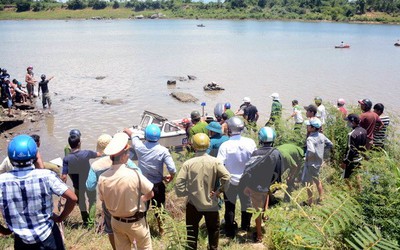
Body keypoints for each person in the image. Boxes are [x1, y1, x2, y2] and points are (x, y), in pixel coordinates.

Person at [0, 134, 77, 249]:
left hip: (21, 240)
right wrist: (60, 218)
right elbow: (73, 198)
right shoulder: (46, 175)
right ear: (35, 156)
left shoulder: (2, 181)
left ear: (10, 158)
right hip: (48, 236)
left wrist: (4, 230)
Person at [98, 132, 154, 250]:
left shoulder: (103, 178)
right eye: (127, 153)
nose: (129, 155)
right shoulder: (134, 174)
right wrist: (142, 199)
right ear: (123, 156)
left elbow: (102, 199)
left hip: (116, 222)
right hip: (136, 223)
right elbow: (150, 193)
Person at [175, 133, 231, 250]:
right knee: (213, 229)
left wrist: (186, 193)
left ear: (194, 146)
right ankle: (213, 248)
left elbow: (179, 184)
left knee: (191, 230)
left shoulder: (188, 164)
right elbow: (227, 177)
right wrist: (218, 191)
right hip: (211, 202)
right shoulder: (215, 162)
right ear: (208, 145)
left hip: (193, 203)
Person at [86, 134, 141, 250]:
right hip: (126, 197)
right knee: (129, 224)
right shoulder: (124, 160)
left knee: (111, 230)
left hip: (108, 202)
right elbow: (138, 173)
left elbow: (89, 186)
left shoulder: (95, 166)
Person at [124, 124, 176, 235]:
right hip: (157, 185)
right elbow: (172, 169)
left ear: (146, 136)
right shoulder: (163, 151)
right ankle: (161, 231)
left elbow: (133, 136)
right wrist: (171, 177)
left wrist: (126, 130)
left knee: (143, 209)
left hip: (143, 185)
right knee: (160, 209)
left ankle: (144, 230)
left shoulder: (139, 147)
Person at [240, 126, 282, 243]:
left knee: (257, 210)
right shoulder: (277, 152)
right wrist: (274, 185)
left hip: (256, 185)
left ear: (260, 139)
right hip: (269, 184)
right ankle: (265, 216)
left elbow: (250, 171)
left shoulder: (256, 153)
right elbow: (278, 171)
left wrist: (247, 185)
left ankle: (258, 234)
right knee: (265, 199)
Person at [217, 116, 257, 238]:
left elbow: (219, 164)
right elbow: (255, 161)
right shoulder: (250, 142)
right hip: (246, 180)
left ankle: (230, 231)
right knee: (246, 204)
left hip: (230, 181)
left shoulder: (225, 145)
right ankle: (245, 227)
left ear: (230, 129)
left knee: (229, 206)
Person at [62, 133, 101, 227]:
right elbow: (99, 154)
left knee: (82, 203)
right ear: (79, 143)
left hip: (77, 185)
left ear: (69, 145)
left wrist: (63, 191)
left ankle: (85, 220)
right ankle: (91, 223)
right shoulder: (86, 153)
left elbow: (64, 176)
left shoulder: (66, 158)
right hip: (89, 183)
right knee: (92, 201)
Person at [302, 118, 333, 205]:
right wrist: (321, 152)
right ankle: (321, 197)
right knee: (317, 180)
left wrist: (307, 158)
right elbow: (330, 144)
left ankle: (310, 202)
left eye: (309, 125)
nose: (307, 126)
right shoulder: (321, 136)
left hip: (310, 164)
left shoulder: (310, 139)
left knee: (308, 183)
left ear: (312, 128)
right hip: (318, 163)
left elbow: (311, 151)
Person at [341, 114, 367, 189]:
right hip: (360, 158)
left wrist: (345, 161)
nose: (347, 123)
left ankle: (351, 191)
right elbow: (364, 146)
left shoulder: (352, 134)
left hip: (352, 160)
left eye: (348, 121)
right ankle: (360, 190)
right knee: (357, 174)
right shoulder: (363, 130)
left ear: (352, 122)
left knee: (345, 177)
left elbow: (350, 150)